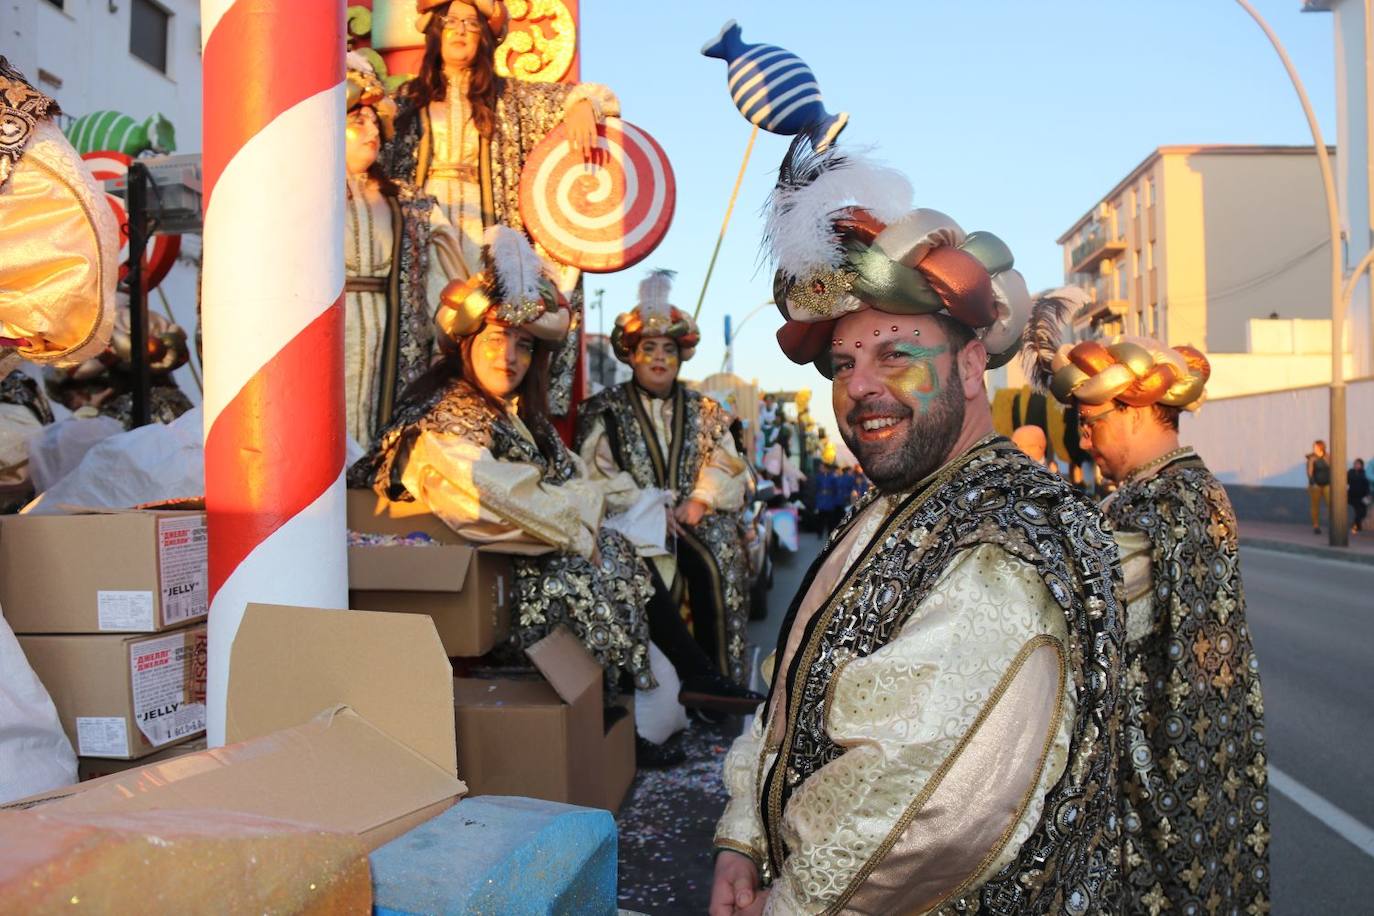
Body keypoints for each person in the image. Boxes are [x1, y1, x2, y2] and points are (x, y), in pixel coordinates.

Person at [710, 140, 1123, 915]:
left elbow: (913, 817)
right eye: (841, 365)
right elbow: (790, 696)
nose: (858, 386)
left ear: (971, 367)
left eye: (896, 354)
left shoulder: (1008, 539)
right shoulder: (893, 507)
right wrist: (743, 837)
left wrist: (783, 903)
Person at [353, 225, 655, 696]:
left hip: (516, 561)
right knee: (583, 571)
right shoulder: (442, 417)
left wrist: (578, 516)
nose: (509, 357)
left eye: (524, 344)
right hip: (479, 585)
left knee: (618, 552)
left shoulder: (519, 416)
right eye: (495, 340)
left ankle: (626, 704)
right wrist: (577, 529)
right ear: (467, 342)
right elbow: (497, 499)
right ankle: (610, 706)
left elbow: (577, 479)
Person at [1035, 329, 1270, 916]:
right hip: (1182, 759)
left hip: (1163, 765)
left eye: (1092, 420)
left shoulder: (1172, 498)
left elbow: (1089, 601)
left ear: (1138, 410)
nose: (1082, 436)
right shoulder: (1167, 491)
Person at [576, 271, 762, 704]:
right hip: (630, 520)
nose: (659, 358)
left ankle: (719, 684)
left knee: (721, 558)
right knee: (636, 571)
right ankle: (647, 697)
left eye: (668, 349)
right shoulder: (603, 409)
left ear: (681, 356)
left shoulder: (707, 409)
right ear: (633, 356)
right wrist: (646, 506)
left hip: (695, 517)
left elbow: (728, 462)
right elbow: (594, 471)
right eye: (649, 348)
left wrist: (701, 498)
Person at [342, 53, 463, 451]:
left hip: (391, 330)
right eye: (358, 120)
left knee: (383, 424)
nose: (370, 130)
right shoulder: (301, 191)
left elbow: (443, 276)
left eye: (375, 122)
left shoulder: (411, 202)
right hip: (331, 325)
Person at [1307, 439, 1331, 534]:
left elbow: (1332, 468)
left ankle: (1333, 524)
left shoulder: (1328, 457)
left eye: (1316, 446)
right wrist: (1314, 483)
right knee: (1315, 506)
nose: (1314, 448)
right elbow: (1310, 473)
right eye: (1314, 446)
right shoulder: (1312, 458)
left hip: (1327, 484)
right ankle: (1316, 525)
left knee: (1331, 504)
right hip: (1315, 485)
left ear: (1321, 447)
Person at [1350, 457, 1370, 534]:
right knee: (1358, 511)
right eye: (1355, 464)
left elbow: (1366, 484)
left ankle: (1357, 524)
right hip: (1353, 496)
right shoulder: (1350, 472)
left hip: (1363, 496)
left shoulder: (1364, 473)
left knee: (1363, 513)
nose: (1356, 465)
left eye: (1358, 464)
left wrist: (1368, 494)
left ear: (1361, 465)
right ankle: (1357, 526)